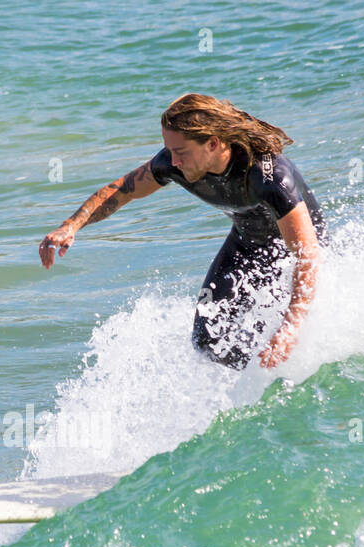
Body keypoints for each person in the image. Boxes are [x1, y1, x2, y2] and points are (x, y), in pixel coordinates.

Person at [39, 93, 327, 370]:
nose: (172, 161)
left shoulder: (269, 177)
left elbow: (307, 255)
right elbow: (123, 190)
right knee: (206, 340)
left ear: (213, 143)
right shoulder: (174, 163)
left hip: (289, 254)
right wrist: (71, 225)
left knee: (277, 325)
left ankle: (287, 368)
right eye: (170, 151)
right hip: (246, 244)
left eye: (180, 152)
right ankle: (255, 376)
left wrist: (291, 327)